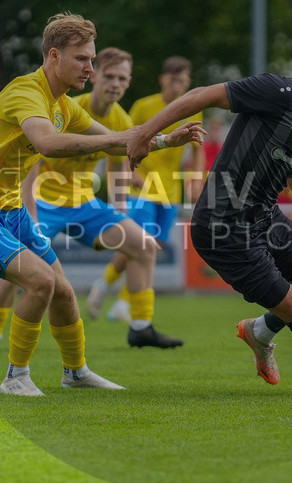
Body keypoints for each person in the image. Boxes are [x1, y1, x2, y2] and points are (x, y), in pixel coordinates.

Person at [0, 12, 204, 396]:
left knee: (62, 289)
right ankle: (15, 377)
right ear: (54, 55)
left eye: (93, 60)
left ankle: (76, 372)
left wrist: (163, 141)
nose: (91, 69)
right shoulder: (26, 92)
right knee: (41, 282)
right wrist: (120, 142)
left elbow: (114, 139)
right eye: (83, 59)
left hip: (8, 211)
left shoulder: (63, 105)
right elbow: (47, 143)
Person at [127, 42, 292, 393]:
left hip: (264, 217)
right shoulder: (278, 92)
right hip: (223, 228)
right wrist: (144, 133)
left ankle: (260, 332)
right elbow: (202, 95)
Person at [0, 47, 184, 350]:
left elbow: (117, 169)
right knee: (17, 266)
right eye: (110, 76)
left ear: (128, 83)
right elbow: (30, 167)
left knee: (143, 245)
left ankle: (141, 327)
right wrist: (31, 215)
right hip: (44, 203)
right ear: (95, 75)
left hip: (85, 205)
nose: (115, 83)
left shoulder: (122, 120)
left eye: (122, 78)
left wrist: (120, 211)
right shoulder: (69, 110)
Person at [87, 56, 206, 323]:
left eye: (183, 80)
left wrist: (196, 180)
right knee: (142, 244)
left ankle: (116, 297)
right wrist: (134, 173)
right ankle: (110, 293)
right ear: (163, 79)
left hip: (170, 191)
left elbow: (197, 150)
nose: (177, 85)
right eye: (173, 79)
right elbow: (126, 142)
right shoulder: (144, 106)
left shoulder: (193, 110)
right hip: (141, 189)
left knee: (153, 246)